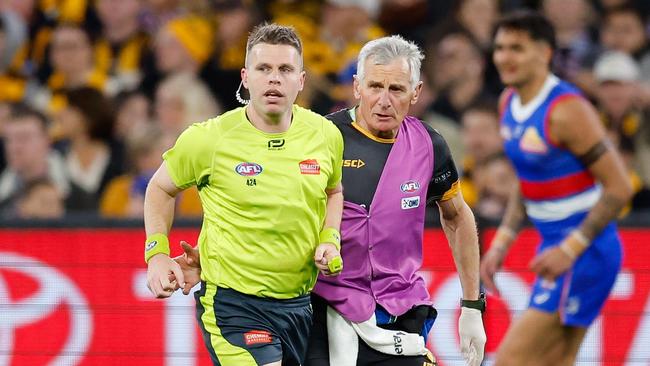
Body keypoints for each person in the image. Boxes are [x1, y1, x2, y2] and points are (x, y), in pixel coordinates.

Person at [175, 35, 487, 366]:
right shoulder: (318, 137)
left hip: (401, 312)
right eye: (374, 86)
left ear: (416, 92)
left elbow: (456, 217)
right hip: (325, 313)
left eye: (396, 89)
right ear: (356, 87)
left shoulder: (430, 145)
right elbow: (264, 206)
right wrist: (212, 261)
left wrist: (471, 305)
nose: (384, 100)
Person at [143, 23, 344, 366]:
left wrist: (330, 237)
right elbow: (160, 187)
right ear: (245, 77)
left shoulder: (325, 134)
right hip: (233, 306)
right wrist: (156, 253)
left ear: (302, 80)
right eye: (263, 69)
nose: (274, 79)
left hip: (299, 304)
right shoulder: (209, 139)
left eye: (285, 70)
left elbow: (333, 190)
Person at [480, 11, 633, 366]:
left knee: (508, 362)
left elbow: (619, 188)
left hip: (586, 253)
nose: (504, 57)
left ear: (545, 53)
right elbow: (526, 176)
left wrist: (570, 249)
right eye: (500, 47)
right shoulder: (508, 102)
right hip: (560, 249)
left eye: (517, 48)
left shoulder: (566, 110)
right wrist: (503, 239)